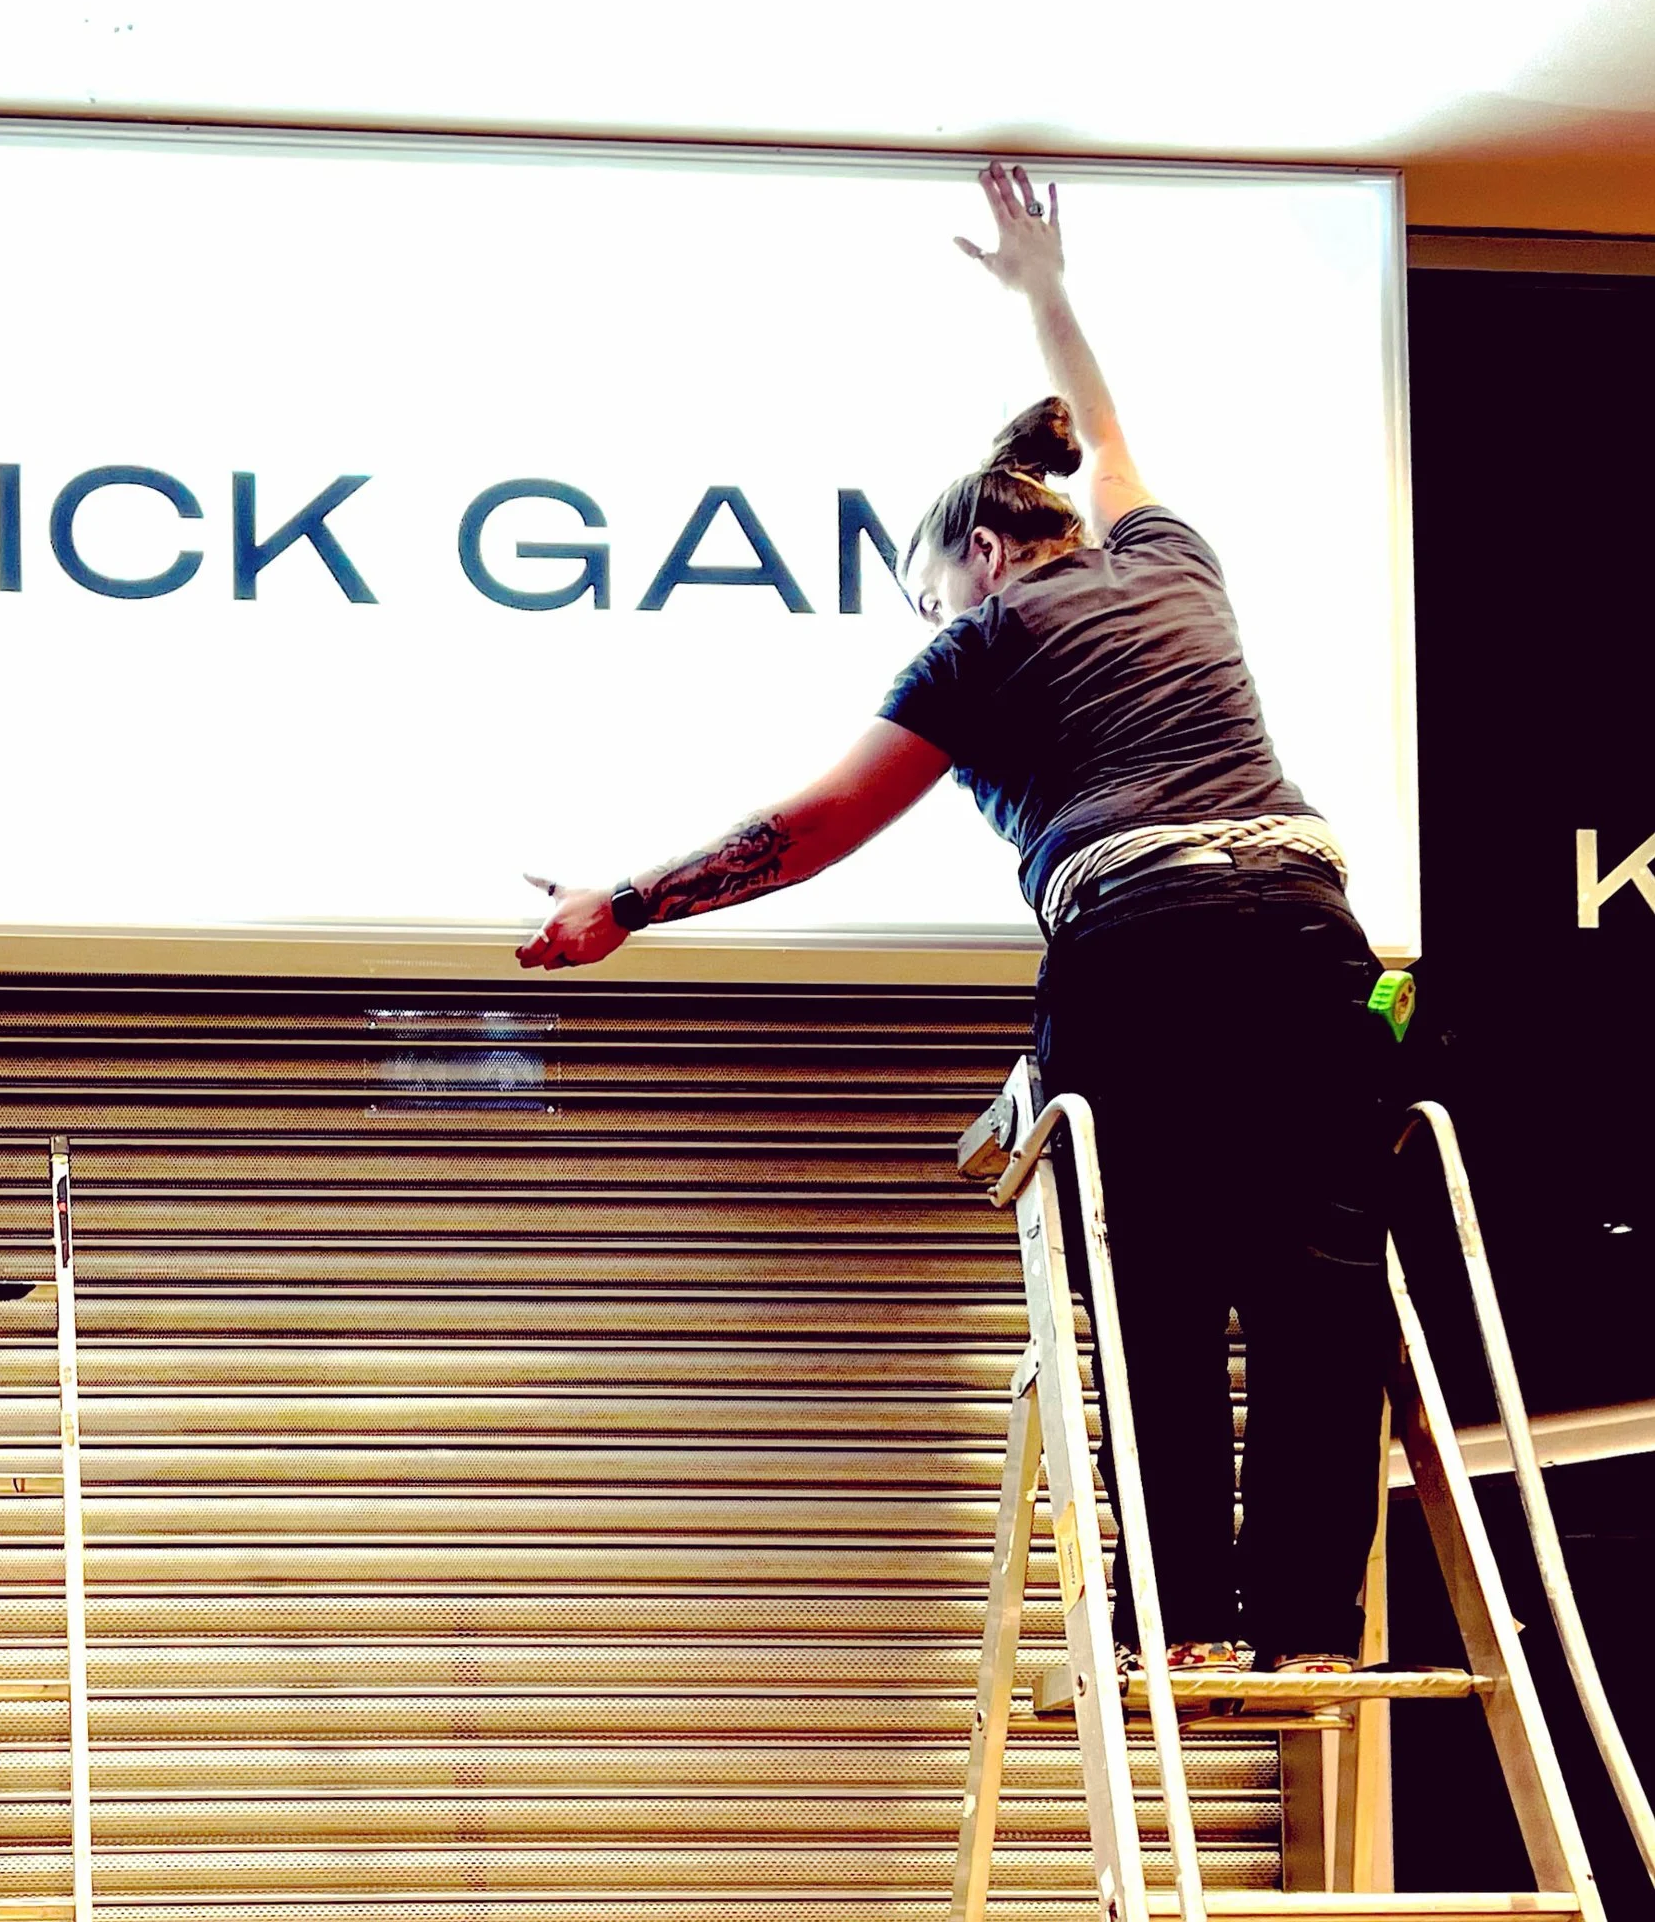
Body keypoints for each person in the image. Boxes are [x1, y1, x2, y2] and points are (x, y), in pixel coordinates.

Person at [516, 162, 1399, 1675]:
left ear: (978, 559)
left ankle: (1182, 1630)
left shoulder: (981, 640)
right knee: (1320, 1290)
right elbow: (1109, 434)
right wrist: (1043, 289)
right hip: (1311, 928)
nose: (934, 622)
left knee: (1157, 1284)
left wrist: (630, 906)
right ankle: (1312, 1630)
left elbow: (818, 827)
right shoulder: (1168, 558)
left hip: (1147, 941)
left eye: (929, 597)